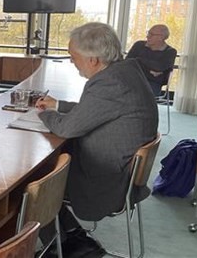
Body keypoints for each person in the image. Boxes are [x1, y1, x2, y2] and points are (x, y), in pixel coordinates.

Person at [35, 22, 158, 258]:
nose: (72, 62)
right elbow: (96, 111)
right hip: (124, 172)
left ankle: (63, 246)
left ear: (92, 60)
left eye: (74, 57)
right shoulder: (126, 71)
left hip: (104, 179)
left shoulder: (108, 83)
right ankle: (72, 237)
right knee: (48, 168)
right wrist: (58, 105)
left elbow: (67, 128)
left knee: (36, 181)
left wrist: (43, 113)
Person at [126, 23, 177, 96]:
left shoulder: (170, 52)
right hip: (133, 78)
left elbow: (159, 67)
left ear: (161, 37)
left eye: (151, 34)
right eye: (148, 33)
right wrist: (151, 70)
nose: (147, 36)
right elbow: (127, 62)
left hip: (153, 83)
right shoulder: (139, 45)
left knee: (139, 94)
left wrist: (138, 61)